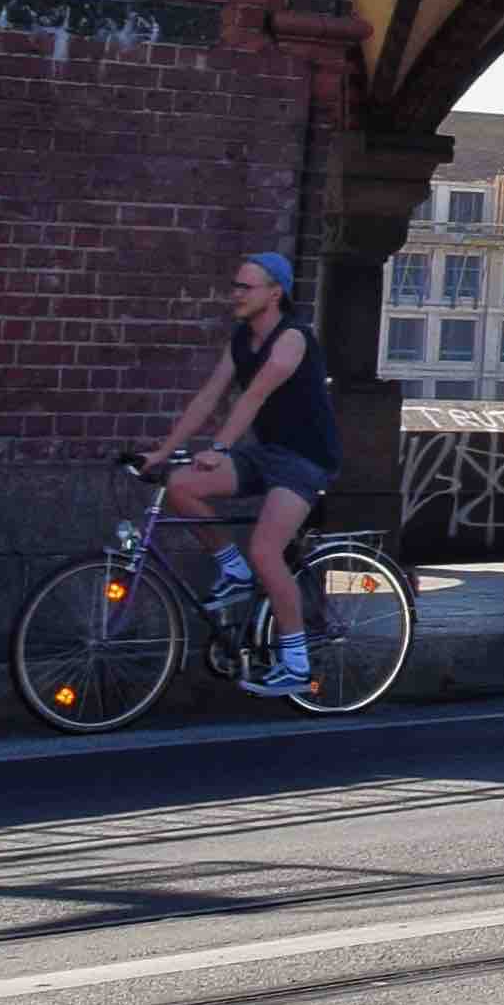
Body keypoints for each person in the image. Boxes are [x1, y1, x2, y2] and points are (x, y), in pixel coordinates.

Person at [141, 251, 335, 700]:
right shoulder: (240, 340)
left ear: (275, 292)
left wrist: (220, 448)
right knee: (181, 486)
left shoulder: (292, 339)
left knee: (267, 551)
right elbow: (209, 397)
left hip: (305, 459)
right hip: (265, 453)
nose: (237, 294)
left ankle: (296, 664)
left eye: (246, 287)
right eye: (236, 285)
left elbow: (254, 399)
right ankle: (234, 572)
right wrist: (163, 452)